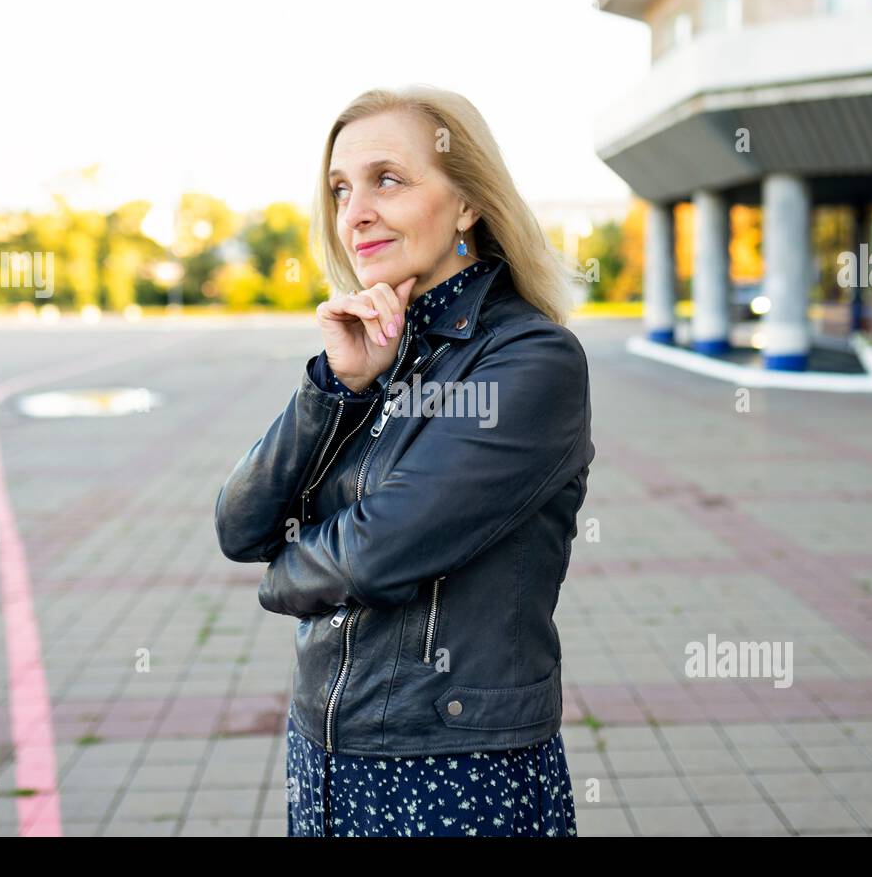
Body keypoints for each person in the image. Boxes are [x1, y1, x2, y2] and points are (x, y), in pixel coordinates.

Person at [215, 84, 594, 836]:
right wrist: (335, 387)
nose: (354, 211)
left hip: (453, 767)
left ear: (467, 204)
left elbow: (378, 552)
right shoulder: (373, 352)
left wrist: (280, 575)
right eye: (339, 188)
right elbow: (239, 524)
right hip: (327, 751)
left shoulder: (530, 361)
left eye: (387, 179)